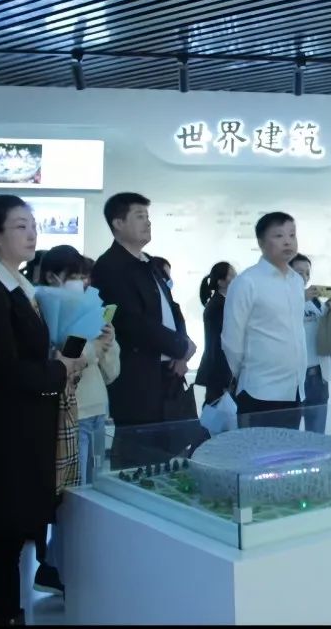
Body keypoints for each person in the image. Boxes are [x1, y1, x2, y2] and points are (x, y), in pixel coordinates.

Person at [0, 196, 86, 625]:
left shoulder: (14, 287)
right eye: (19, 226)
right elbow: (3, 370)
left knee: (7, 546)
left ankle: (8, 616)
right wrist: (59, 369)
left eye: (33, 225)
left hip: (19, 437)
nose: (31, 234)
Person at [33, 245, 119, 595]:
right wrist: (89, 350)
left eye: (85, 276)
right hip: (72, 415)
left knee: (89, 498)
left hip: (97, 412)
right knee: (71, 500)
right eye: (74, 276)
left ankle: (68, 566)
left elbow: (111, 372)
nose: (82, 283)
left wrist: (107, 345)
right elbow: (61, 365)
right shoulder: (42, 311)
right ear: (52, 277)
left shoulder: (91, 312)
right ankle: (58, 568)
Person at [91, 193, 197, 467]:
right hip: (137, 380)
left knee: (169, 458)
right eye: (139, 216)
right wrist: (179, 347)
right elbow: (133, 323)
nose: (147, 223)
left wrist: (183, 348)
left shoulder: (149, 263)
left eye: (148, 217)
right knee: (139, 460)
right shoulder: (110, 266)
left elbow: (172, 309)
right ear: (118, 223)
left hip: (168, 376)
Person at [222, 212, 307, 429]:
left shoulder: (297, 282)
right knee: (256, 450)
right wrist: (247, 374)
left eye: (292, 235)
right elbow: (232, 340)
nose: (287, 241)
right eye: (278, 235)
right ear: (261, 243)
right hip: (259, 391)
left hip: (294, 390)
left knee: (289, 449)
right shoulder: (246, 282)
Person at [290, 254, 331, 434]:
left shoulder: (314, 301)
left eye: (307, 273)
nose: (304, 277)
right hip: (293, 379)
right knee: (288, 434)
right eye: (299, 273)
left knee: (317, 435)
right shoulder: (281, 302)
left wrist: (329, 311)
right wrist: (300, 298)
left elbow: (323, 334)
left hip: (318, 377)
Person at [195, 262, 236, 407]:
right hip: (219, 368)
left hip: (222, 367)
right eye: (231, 275)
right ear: (221, 282)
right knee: (216, 409)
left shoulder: (223, 303)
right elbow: (221, 341)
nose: (236, 278)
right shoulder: (218, 306)